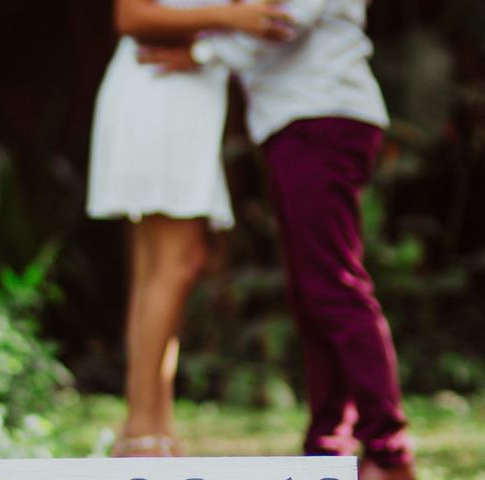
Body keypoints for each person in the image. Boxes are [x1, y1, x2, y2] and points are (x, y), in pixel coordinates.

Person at [138, 0, 418, 478]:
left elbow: (281, 19)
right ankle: (332, 443)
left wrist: (203, 54)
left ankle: (388, 452)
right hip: (301, 121)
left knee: (334, 285)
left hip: (322, 117)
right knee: (314, 290)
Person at [86, 0, 294, 457]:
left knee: (158, 269)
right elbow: (131, 17)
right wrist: (229, 18)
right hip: (159, 92)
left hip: (182, 97)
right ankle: (143, 431)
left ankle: (151, 425)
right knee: (174, 264)